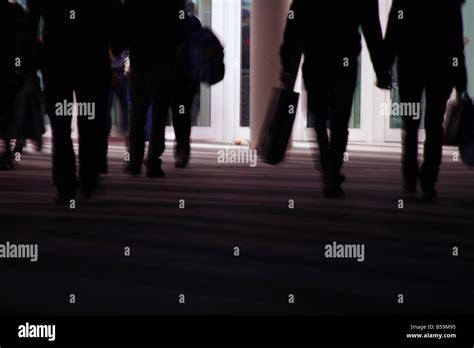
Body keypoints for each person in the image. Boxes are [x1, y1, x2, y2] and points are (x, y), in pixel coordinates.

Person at [280, 0, 391, 198]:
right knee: (340, 119)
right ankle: (333, 169)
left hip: (315, 57)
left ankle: (327, 167)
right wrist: (381, 70)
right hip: (344, 59)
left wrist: (287, 62)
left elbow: (294, 20)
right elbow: (371, 27)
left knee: (319, 118)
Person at [28, 0, 126, 204]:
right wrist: (114, 45)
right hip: (92, 54)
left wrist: (34, 49)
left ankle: (65, 185)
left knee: (61, 127)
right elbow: (115, 13)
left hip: (57, 55)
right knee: (90, 121)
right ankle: (89, 177)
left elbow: (33, 14)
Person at [385, 0, 468, 202]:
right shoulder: (448, 5)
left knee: (410, 124)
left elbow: (394, 30)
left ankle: (410, 176)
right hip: (440, 68)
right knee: (434, 125)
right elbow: (455, 42)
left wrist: (384, 65)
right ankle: (428, 180)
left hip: (410, 65)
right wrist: (460, 78)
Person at [124, 0, 187, 178]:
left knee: (137, 112)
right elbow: (180, 29)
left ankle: (134, 161)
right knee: (159, 114)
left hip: (140, 61)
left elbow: (126, 25)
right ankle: (152, 161)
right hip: (163, 63)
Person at [172, 0, 202, 168]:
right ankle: (183, 148)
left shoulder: (180, 23)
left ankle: (181, 148)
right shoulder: (194, 22)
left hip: (178, 75)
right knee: (182, 113)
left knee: (178, 113)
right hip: (189, 76)